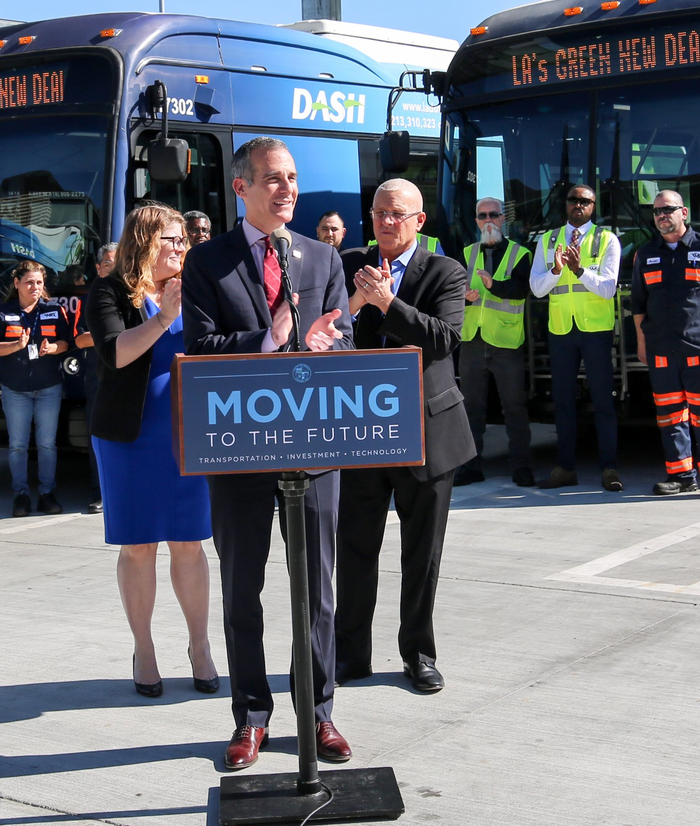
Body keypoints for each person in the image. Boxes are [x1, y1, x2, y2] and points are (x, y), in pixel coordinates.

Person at [181, 135, 353, 772]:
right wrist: (267, 338)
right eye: (273, 178)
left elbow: (344, 335)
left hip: (314, 447)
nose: (288, 189)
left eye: (292, 178)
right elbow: (200, 348)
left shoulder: (322, 257)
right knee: (241, 588)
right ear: (241, 187)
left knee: (318, 591)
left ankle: (320, 712)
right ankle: (250, 716)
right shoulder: (208, 262)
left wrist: (327, 343)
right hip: (239, 448)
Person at [335, 179, 475, 695]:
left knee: (422, 553)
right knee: (354, 548)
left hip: (427, 431)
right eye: (379, 213)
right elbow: (324, 335)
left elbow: (443, 339)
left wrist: (388, 302)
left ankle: (418, 654)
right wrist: (357, 300)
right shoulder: (348, 264)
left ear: (419, 220)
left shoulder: (444, 271)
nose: (386, 222)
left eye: (397, 214)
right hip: (361, 429)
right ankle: (350, 655)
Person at [88, 205, 220, 698]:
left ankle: (200, 647)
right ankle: (144, 649)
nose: (182, 247)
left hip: (188, 435)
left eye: (184, 240)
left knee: (189, 542)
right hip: (130, 437)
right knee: (139, 545)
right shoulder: (109, 290)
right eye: (173, 239)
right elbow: (116, 353)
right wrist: (163, 317)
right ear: (145, 241)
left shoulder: (197, 286)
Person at [627, 189, 700, 502]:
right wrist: (642, 343)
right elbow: (638, 304)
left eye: (668, 209)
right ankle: (680, 475)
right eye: (657, 212)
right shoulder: (645, 254)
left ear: (684, 212)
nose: (662, 216)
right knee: (669, 416)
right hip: (660, 349)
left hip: (698, 348)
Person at [529, 183, 623, 491]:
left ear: (593, 206)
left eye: (585, 201)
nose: (578, 205)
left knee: (603, 402)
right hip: (561, 330)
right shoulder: (547, 239)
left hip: (595, 330)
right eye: (573, 200)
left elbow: (608, 288)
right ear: (565, 204)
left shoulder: (607, 239)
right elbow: (537, 288)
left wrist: (580, 271)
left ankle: (609, 468)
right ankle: (565, 468)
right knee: (563, 403)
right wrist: (557, 271)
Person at [459, 197, 536, 487]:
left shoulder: (520, 253)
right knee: (471, 409)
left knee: (514, 408)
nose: (488, 220)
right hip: (472, 340)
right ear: (476, 221)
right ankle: (470, 467)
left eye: (493, 215)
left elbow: (520, 290)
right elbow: (452, 290)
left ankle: (521, 467)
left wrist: (493, 285)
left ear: (503, 219)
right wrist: (463, 296)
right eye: (483, 216)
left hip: (505, 342)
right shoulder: (467, 252)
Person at [0, 259, 76, 517]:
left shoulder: (55, 310)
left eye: (39, 282)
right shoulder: (2, 312)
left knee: (47, 444)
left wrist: (53, 348)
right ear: (17, 283)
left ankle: (47, 494)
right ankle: (21, 496)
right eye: (29, 282)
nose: (35, 287)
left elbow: (66, 343)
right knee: (17, 445)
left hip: (48, 386)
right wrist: (16, 345)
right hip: (15, 388)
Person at [75, 242, 119, 515]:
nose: (112, 269)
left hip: (129, 378)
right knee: (98, 438)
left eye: (117, 264)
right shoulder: (88, 300)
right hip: (98, 379)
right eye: (107, 264)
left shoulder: (135, 297)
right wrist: (111, 333)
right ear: (98, 268)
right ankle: (99, 493)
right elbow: (80, 340)